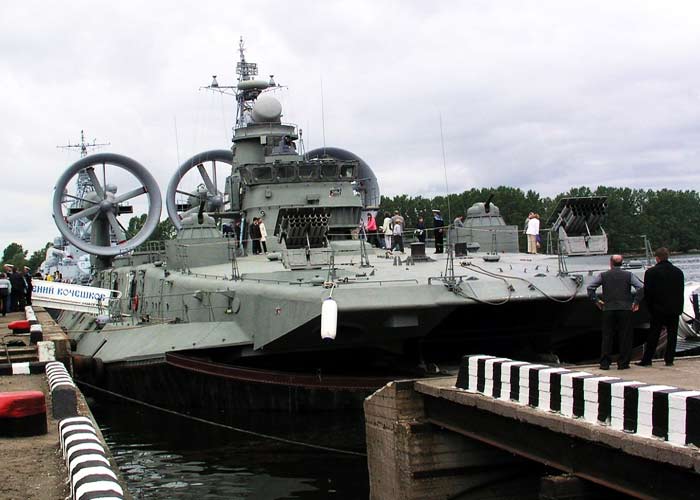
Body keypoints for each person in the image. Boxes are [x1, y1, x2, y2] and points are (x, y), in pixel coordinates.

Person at [587, 254, 644, 370]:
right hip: (625, 308)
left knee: (607, 336)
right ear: (622, 263)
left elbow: (590, 288)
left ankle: (605, 363)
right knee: (625, 336)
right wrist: (636, 302)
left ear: (610, 263)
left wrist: (597, 300)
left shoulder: (603, 275)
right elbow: (641, 287)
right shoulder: (628, 275)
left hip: (608, 308)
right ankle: (623, 363)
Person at [637, 247, 685, 367]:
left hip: (657, 309)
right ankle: (669, 359)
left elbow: (648, 293)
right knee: (672, 335)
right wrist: (679, 307)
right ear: (667, 257)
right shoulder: (678, 272)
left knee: (653, 335)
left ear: (656, 258)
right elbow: (680, 291)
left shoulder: (651, 273)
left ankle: (647, 360)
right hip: (674, 308)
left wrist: (649, 309)